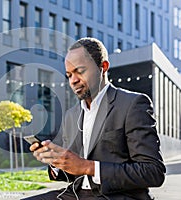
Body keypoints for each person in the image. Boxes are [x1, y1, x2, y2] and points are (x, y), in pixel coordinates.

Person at [22, 37, 166, 200]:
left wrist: (88, 167)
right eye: (69, 75)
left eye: (80, 71)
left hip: (117, 196)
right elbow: (73, 174)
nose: (73, 80)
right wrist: (56, 162)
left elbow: (153, 172)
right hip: (75, 194)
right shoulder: (71, 115)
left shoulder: (132, 104)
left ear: (103, 67)